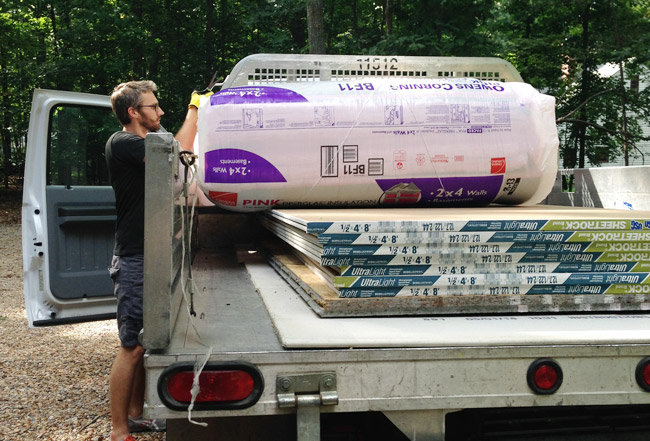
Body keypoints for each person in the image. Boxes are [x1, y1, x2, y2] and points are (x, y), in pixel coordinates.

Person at [106, 80, 208, 441]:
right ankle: (119, 429)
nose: (160, 112)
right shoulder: (124, 143)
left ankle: (136, 414)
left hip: (149, 254)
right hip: (134, 258)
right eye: (154, 106)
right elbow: (176, 150)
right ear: (133, 112)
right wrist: (195, 110)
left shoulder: (143, 144)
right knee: (131, 346)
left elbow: (175, 164)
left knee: (145, 341)